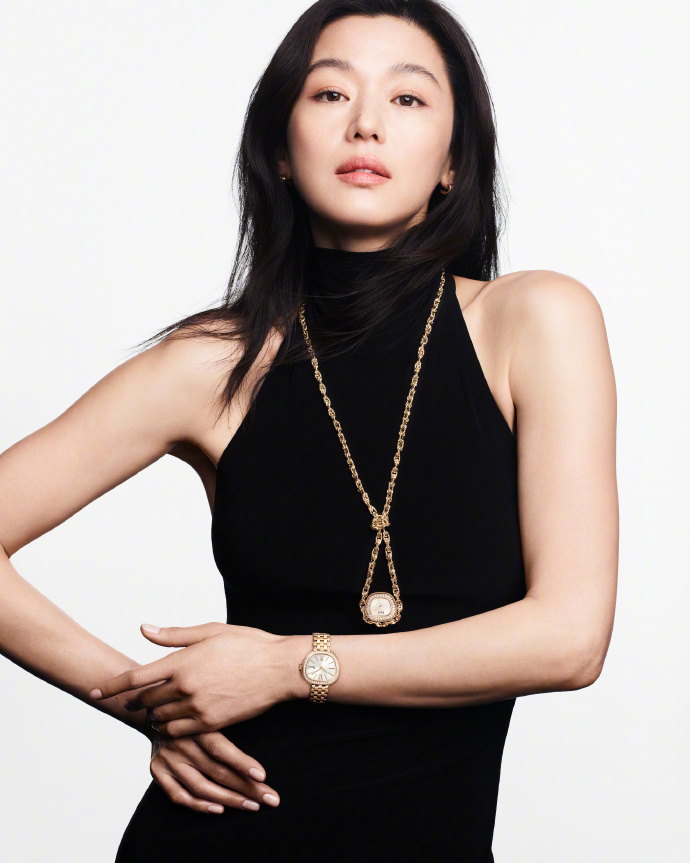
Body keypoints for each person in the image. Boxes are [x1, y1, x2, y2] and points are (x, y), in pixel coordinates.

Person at [0, 1, 618, 860]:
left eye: (408, 98)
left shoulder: (535, 321)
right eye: (330, 94)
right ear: (281, 151)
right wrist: (148, 702)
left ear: (453, 161)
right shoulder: (210, 366)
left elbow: (569, 639)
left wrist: (289, 665)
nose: (366, 123)